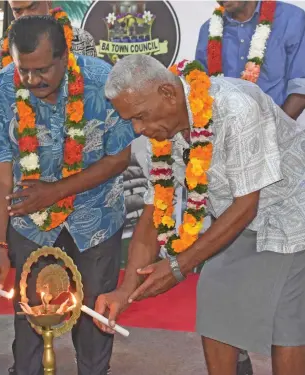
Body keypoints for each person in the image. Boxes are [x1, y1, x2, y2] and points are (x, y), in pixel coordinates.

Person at [94, 54, 305, 375]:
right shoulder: (160, 133)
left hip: (293, 212)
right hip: (237, 220)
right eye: (131, 121)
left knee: (287, 322)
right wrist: (125, 290)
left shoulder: (235, 107)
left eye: (140, 116)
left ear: (167, 93)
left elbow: (247, 204)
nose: (138, 129)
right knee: (215, 294)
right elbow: (153, 214)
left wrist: (178, 266)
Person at [0, 15, 135, 375]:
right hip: (30, 224)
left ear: (66, 56)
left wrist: (56, 192)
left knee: (95, 321)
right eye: (24, 70)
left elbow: (120, 157)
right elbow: (0, 175)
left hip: (95, 218)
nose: (32, 80)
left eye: (43, 69)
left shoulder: (104, 84)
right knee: (31, 320)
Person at [195, 2, 305, 371]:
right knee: (222, 289)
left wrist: (263, 139)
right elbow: (202, 96)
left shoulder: (292, 20)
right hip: (230, 176)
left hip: (285, 169)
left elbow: (301, 89)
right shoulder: (206, 31)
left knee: (288, 312)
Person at [195, 0, 305, 121]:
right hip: (224, 130)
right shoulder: (209, 29)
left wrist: (277, 131)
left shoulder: (291, 19)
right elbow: (201, 88)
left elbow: (300, 85)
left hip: (278, 128)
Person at [0, 0, 96, 75]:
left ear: (49, 2)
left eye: (32, 7)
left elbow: (94, 88)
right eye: (18, 11)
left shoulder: (82, 40)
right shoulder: (3, 46)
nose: (26, 16)